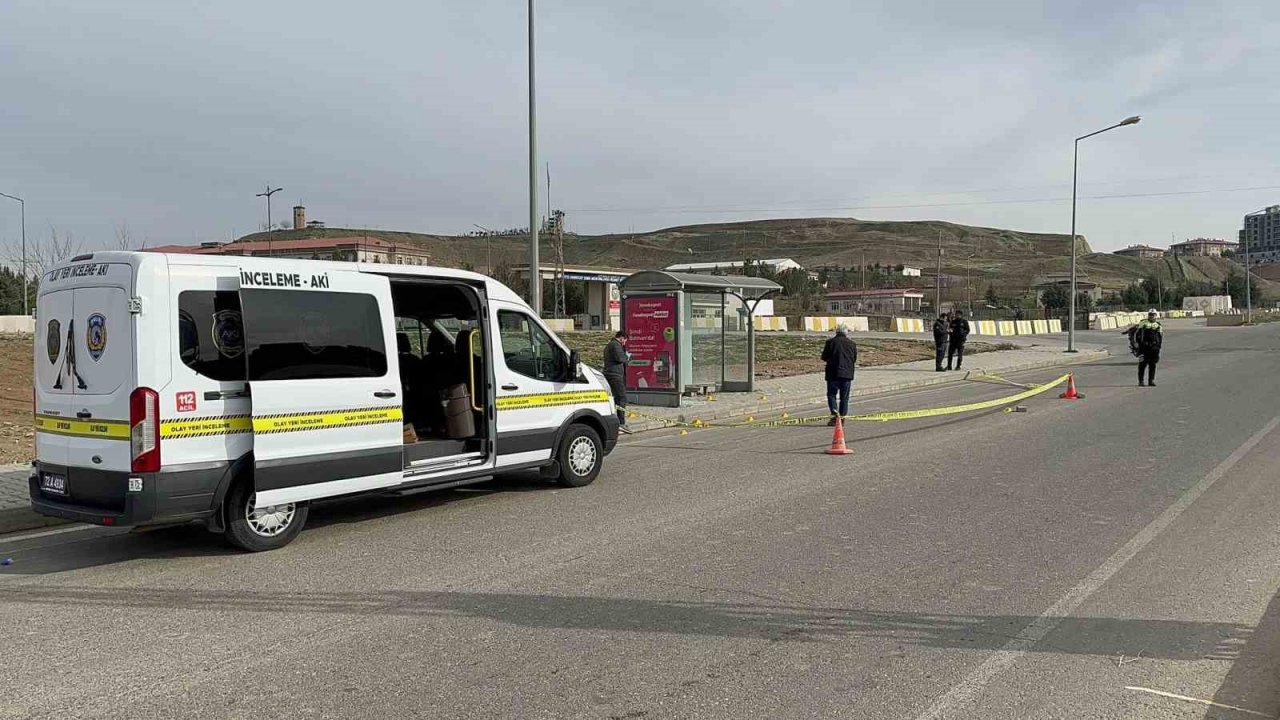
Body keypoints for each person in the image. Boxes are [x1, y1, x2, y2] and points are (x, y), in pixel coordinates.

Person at [821, 325, 858, 425]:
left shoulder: (830, 342)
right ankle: (842, 418)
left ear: (836, 332)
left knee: (831, 395)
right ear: (846, 333)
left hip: (833, 374)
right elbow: (854, 358)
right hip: (847, 375)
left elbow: (824, 357)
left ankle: (834, 416)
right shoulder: (852, 344)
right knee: (844, 398)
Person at [603, 331, 633, 433]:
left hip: (610, 374)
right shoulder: (615, 345)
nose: (624, 343)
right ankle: (621, 423)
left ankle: (616, 421)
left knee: (615, 398)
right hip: (614, 375)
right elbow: (621, 358)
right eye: (624, 341)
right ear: (621, 338)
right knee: (622, 397)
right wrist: (627, 357)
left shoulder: (610, 345)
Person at [1133, 309, 1163, 387]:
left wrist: (1158, 347)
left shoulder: (1158, 325)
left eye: (1153, 315)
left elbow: (1160, 337)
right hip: (1144, 348)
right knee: (1142, 365)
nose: (1151, 316)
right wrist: (1136, 344)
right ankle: (1141, 381)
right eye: (1150, 314)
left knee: (1152, 365)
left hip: (1154, 348)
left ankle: (1151, 381)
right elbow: (1136, 334)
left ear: (1156, 316)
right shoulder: (1143, 323)